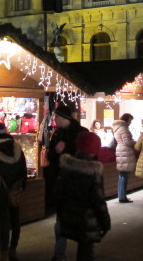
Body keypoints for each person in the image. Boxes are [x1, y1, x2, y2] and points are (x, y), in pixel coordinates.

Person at [54, 131, 111, 261]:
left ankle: (59, 255)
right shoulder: (94, 171)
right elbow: (98, 200)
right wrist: (105, 221)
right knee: (85, 250)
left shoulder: (67, 167)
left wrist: (61, 213)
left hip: (68, 216)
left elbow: (58, 193)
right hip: (87, 220)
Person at [0, 122, 28, 261]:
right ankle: (11, 249)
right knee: (14, 220)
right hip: (14, 190)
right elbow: (23, 170)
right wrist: (21, 187)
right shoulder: (17, 147)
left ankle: (3, 252)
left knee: (0, 220)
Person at [49, 104, 88, 261]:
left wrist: (67, 149)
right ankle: (59, 254)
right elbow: (52, 156)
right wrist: (55, 151)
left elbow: (87, 158)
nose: (54, 120)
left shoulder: (81, 133)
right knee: (60, 222)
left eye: (56, 117)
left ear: (63, 117)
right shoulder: (57, 134)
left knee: (80, 222)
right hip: (62, 184)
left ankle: (85, 253)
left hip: (77, 185)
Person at [112, 113, 137, 203]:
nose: (131, 122)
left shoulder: (117, 128)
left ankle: (121, 195)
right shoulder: (124, 129)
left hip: (120, 151)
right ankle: (123, 197)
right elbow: (127, 142)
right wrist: (135, 142)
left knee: (122, 175)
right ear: (127, 119)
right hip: (125, 152)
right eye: (130, 120)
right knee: (124, 176)